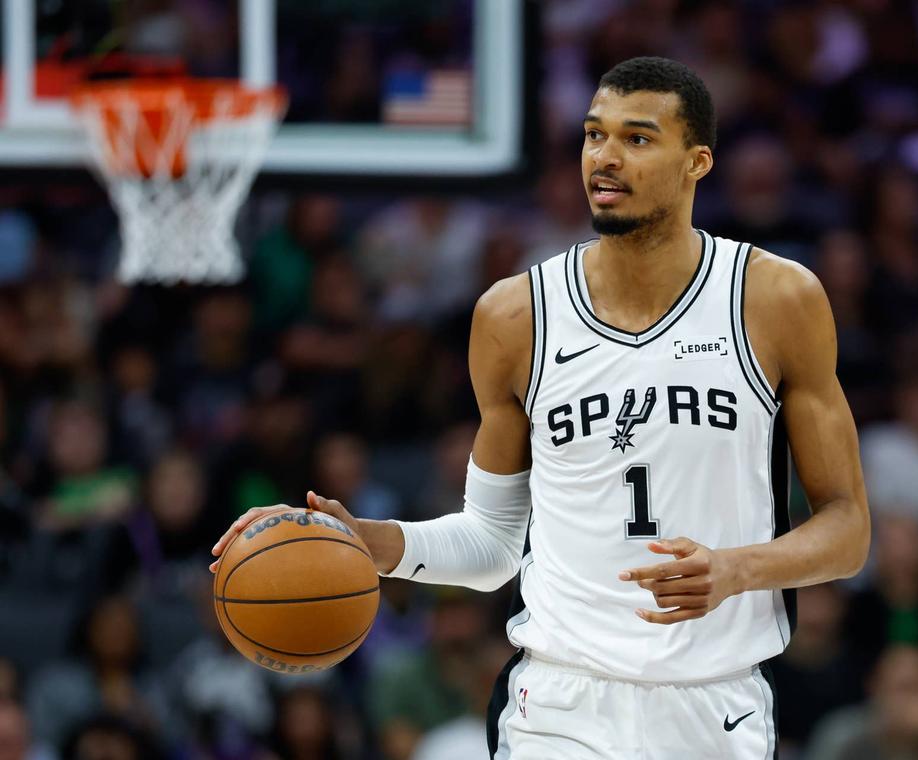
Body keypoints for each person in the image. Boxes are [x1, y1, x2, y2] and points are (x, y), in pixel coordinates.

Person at [212, 55, 871, 759]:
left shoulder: (774, 300)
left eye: (638, 139)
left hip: (717, 705)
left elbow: (848, 531)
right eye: (594, 135)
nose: (606, 158)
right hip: (559, 705)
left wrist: (739, 569)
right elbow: (495, 544)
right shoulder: (514, 315)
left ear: (697, 162)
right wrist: (369, 543)